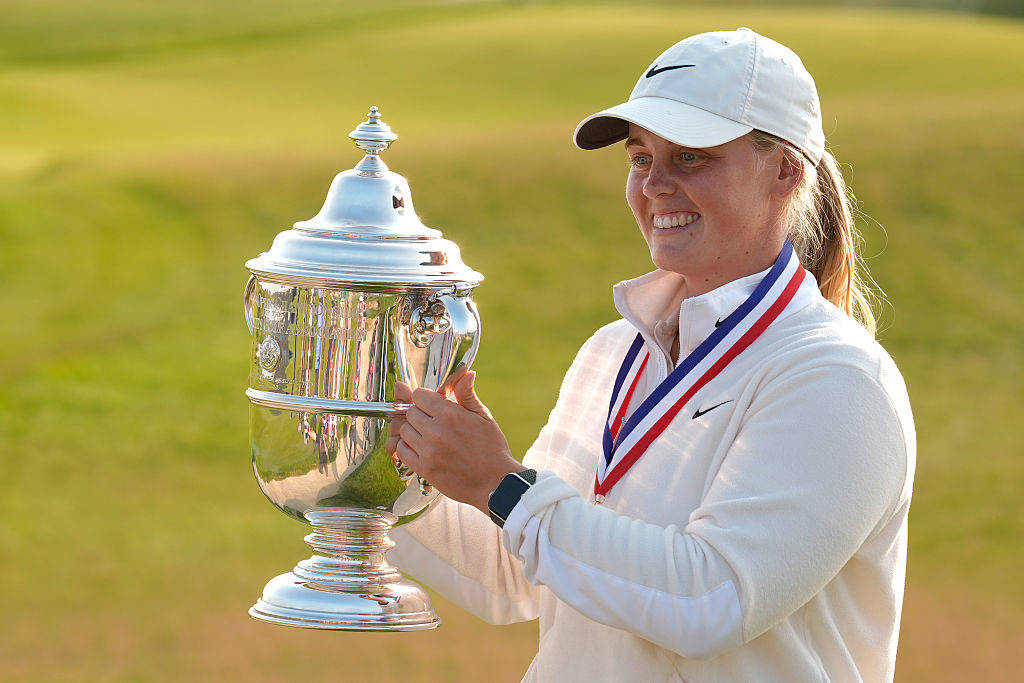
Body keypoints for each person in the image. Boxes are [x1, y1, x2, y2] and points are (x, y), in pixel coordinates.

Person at [385, 27, 916, 682]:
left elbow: (711, 596)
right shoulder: (615, 352)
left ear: (785, 170)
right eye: (640, 158)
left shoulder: (837, 377)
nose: (654, 185)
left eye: (690, 157)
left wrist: (501, 482)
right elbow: (514, 573)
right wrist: (372, 466)